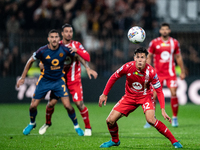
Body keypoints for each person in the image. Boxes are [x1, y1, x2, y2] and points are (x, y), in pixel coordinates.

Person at [98, 47, 183, 148]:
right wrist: (104, 94)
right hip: (129, 97)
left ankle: (174, 141)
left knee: (151, 120)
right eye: (137, 57)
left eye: (142, 57)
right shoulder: (127, 66)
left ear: (146, 59)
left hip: (145, 97)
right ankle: (115, 141)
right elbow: (113, 77)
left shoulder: (151, 72)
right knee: (110, 121)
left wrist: (163, 109)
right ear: (134, 58)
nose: (140, 59)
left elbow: (159, 91)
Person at [16, 29, 83, 135]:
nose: (54, 39)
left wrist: (87, 68)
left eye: (56, 37)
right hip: (44, 81)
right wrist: (23, 78)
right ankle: (32, 123)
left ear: (59, 39)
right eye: (52, 37)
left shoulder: (65, 49)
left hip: (58, 81)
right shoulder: (42, 51)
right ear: (48, 39)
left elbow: (77, 56)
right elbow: (30, 61)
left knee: (67, 106)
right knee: (33, 106)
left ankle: (77, 126)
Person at [39, 23, 98, 136]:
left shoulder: (76, 45)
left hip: (74, 79)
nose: (69, 33)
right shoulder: (58, 45)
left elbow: (87, 57)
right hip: (58, 79)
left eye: (70, 31)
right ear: (62, 34)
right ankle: (47, 123)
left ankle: (88, 127)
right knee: (51, 104)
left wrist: (79, 54)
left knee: (79, 104)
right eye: (66, 31)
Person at [144, 22, 185, 128]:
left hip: (170, 73)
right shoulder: (154, 43)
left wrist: (182, 71)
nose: (165, 31)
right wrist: (147, 71)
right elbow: (149, 57)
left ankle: (175, 118)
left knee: (173, 92)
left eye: (167, 29)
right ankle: (151, 118)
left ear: (169, 31)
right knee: (153, 96)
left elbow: (178, 57)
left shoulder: (174, 42)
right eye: (163, 29)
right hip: (157, 73)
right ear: (160, 31)